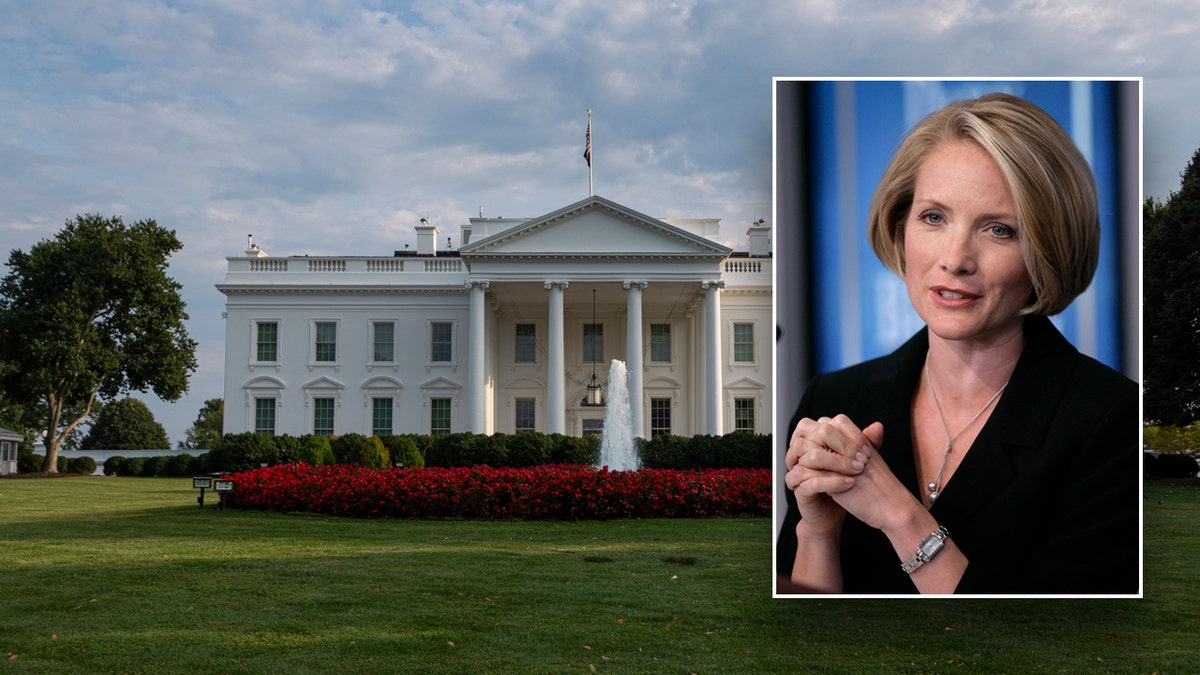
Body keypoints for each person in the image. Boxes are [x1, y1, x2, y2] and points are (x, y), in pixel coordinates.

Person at [776, 93, 1139, 595]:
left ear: (1049, 250)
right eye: (933, 217)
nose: (955, 258)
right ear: (900, 224)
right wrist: (818, 532)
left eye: (999, 230)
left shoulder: (1112, 421)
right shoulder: (832, 400)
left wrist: (902, 517)